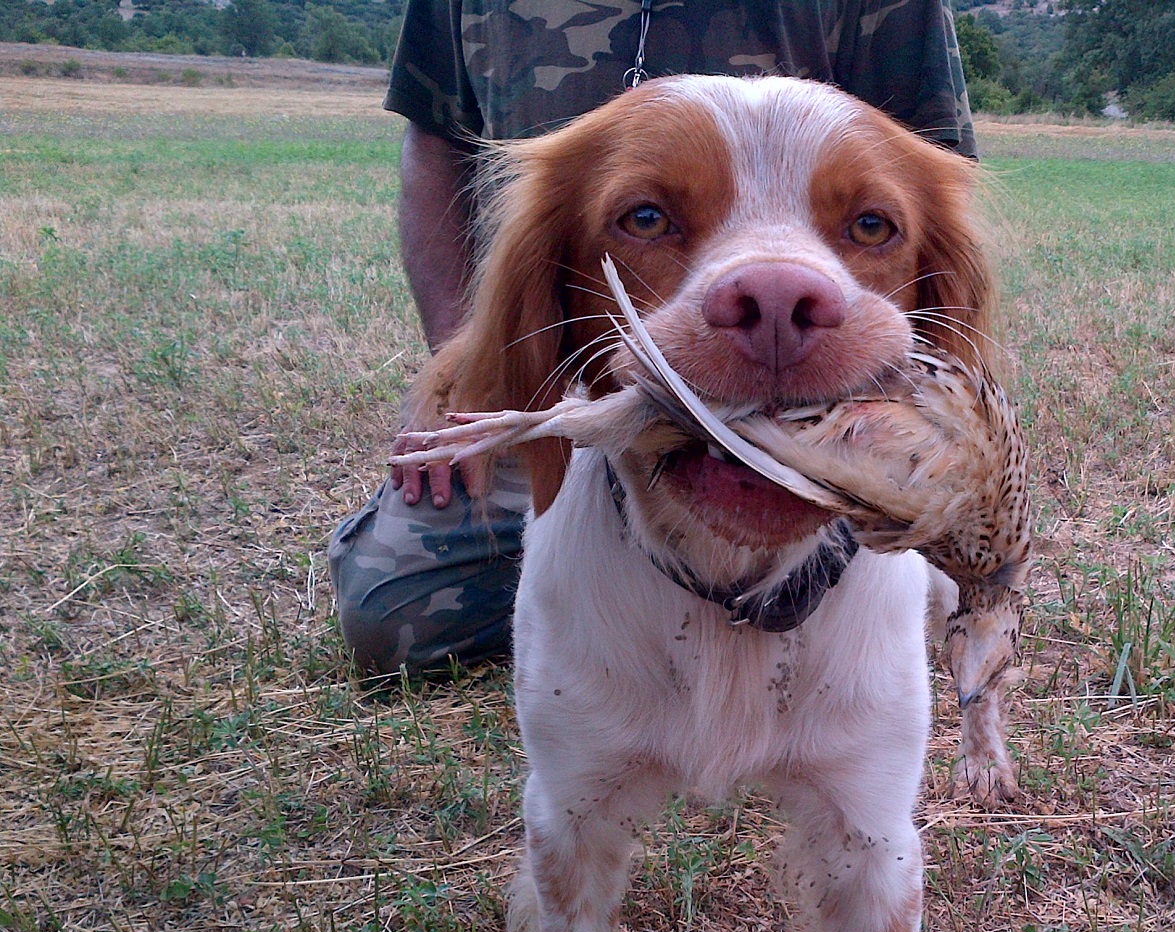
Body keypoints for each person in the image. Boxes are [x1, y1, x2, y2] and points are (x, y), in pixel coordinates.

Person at [329, 0, 977, 676]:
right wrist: (471, 383)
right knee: (393, 613)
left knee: (929, 577)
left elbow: (928, 181)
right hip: (574, 389)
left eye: (869, 227)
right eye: (645, 217)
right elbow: (436, 140)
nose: (773, 299)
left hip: (846, 405)